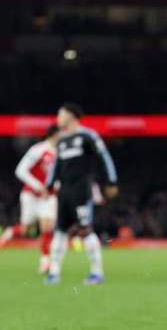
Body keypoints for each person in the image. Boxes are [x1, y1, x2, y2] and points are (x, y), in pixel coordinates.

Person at [45, 103, 119, 285]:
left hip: (81, 192)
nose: (58, 118)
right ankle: (54, 273)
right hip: (64, 192)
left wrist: (111, 181)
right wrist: (49, 184)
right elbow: (56, 165)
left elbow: (104, 157)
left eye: (60, 114)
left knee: (85, 230)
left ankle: (97, 272)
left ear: (71, 116)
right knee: (60, 232)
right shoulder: (61, 141)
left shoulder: (88, 136)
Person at [0, 125, 60, 274]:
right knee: (27, 228)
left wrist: (56, 187)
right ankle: (11, 232)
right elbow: (20, 170)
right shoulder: (38, 150)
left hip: (48, 196)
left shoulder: (61, 153)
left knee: (47, 226)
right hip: (31, 195)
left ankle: (45, 262)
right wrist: (38, 186)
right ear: (53, 135)